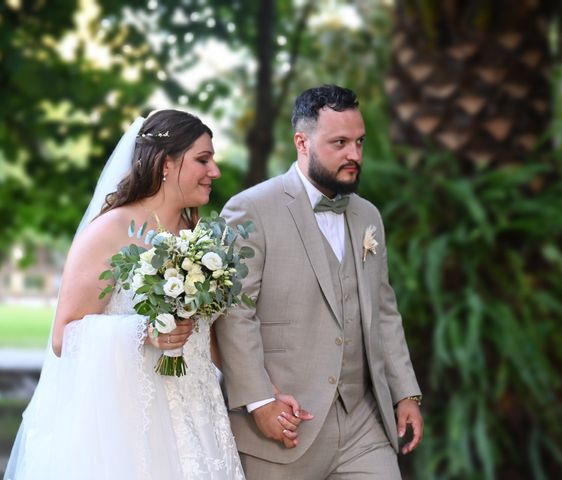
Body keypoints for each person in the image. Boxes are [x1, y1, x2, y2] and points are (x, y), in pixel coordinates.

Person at [4, 110, 245, 480]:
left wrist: (263, 394)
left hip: (201, 417)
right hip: (135, 425)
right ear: (166, 163)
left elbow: (209, 337)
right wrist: (143, 332)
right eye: (203, 159)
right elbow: (63, 336)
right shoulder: (111, 231)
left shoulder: (198, 236)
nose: (215, 171)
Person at [216, 85, 424, 479]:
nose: (355, 155)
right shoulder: (251, 210)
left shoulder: (368, 216)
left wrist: (404, 392)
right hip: (286, 424)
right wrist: (260, 403)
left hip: (364, 423)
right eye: (340, 143)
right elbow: (234, 313)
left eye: (360, 142)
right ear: (302, 142)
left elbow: (383, 309)